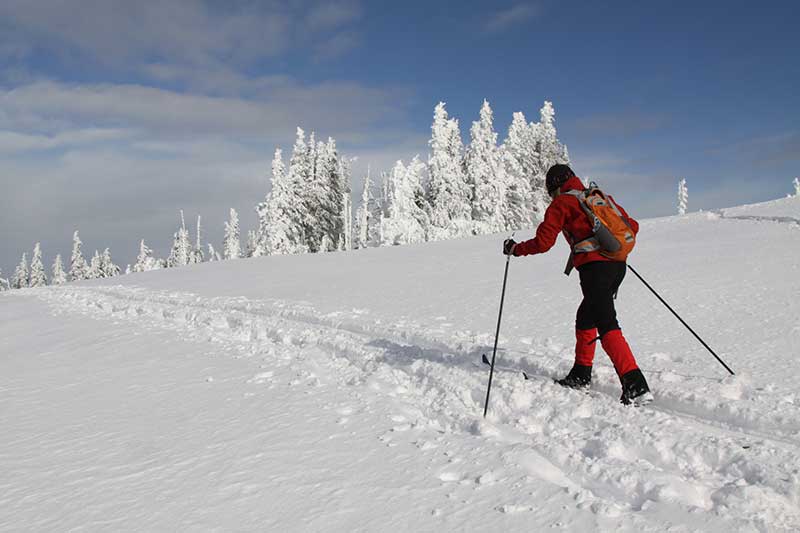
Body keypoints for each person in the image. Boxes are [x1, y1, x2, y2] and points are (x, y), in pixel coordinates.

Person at [503, 164, 653, 405]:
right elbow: (632, 226)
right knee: (586, 317)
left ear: (555, 187)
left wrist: (516, 249)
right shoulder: (597, 197)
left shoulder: (561, 204)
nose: (551, 196)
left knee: (606, 323)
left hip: (595, 270)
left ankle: (635, 384)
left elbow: (543, 243)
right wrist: (606, 243)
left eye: (550, 191)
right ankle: (581, 374)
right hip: (617, 266)